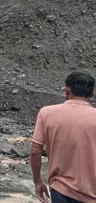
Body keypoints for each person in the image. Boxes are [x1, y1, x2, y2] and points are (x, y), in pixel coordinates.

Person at [30, 72, 96, 203]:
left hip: (60, 190)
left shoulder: (46, 113)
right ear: (93, 93)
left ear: (67, 90)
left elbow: (35, 151)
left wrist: (37, 182)